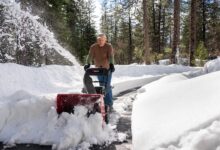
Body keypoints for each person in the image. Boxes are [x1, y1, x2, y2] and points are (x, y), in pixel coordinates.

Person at [84, 33, 115, 108]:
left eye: (102, 40)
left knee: (107, 86)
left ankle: (109, 104)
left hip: (107, 69)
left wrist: (111, 64)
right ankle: (103, 102)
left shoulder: (108, 46)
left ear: (105, 40)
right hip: (98, 70)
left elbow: (111, 56)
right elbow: (90, 56)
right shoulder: (93, 47)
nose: (100, 41)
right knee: (102, 86)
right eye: (99, 40)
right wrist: (87, 63)